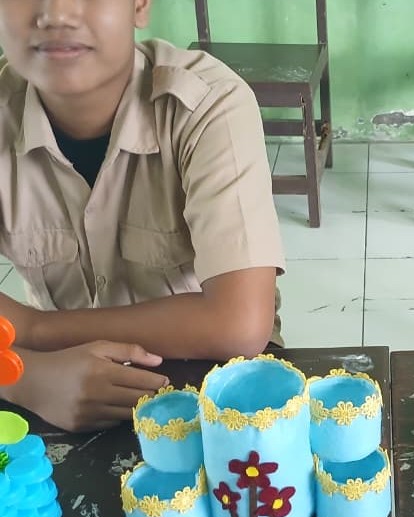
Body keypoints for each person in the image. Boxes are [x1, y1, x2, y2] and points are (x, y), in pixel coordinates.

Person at [0, 0, 285, 431]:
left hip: (216, 381)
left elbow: (239, 324)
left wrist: (34, 328)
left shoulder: (206, 104)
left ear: (139, 5)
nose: (56, 13)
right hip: (60, 382)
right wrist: (24, 379)